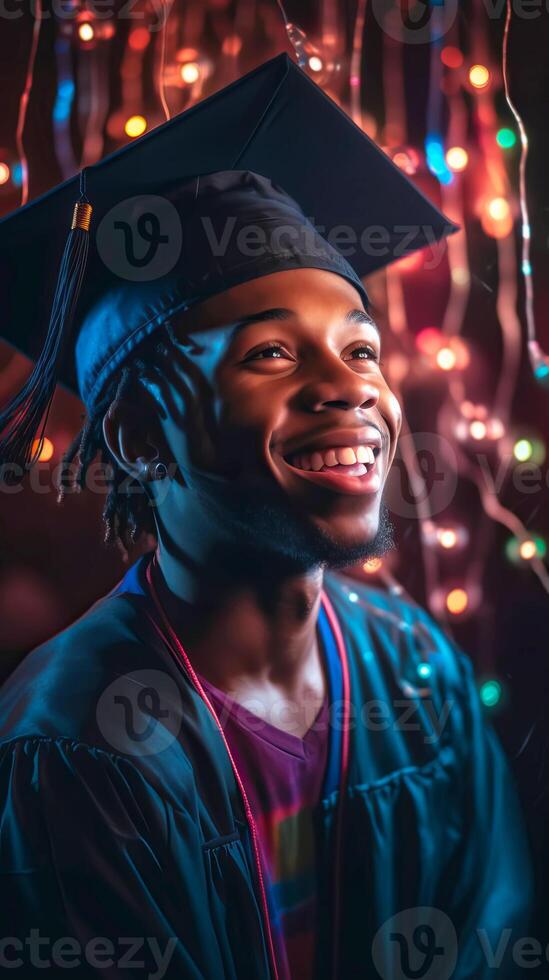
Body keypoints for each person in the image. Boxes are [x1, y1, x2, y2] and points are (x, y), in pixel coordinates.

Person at [0, 55, 533, 979]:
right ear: (135, 434)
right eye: (273, 354)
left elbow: (497, 937)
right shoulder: (75, 744)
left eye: (359, 348)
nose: (348, 389)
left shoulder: (416, 670)